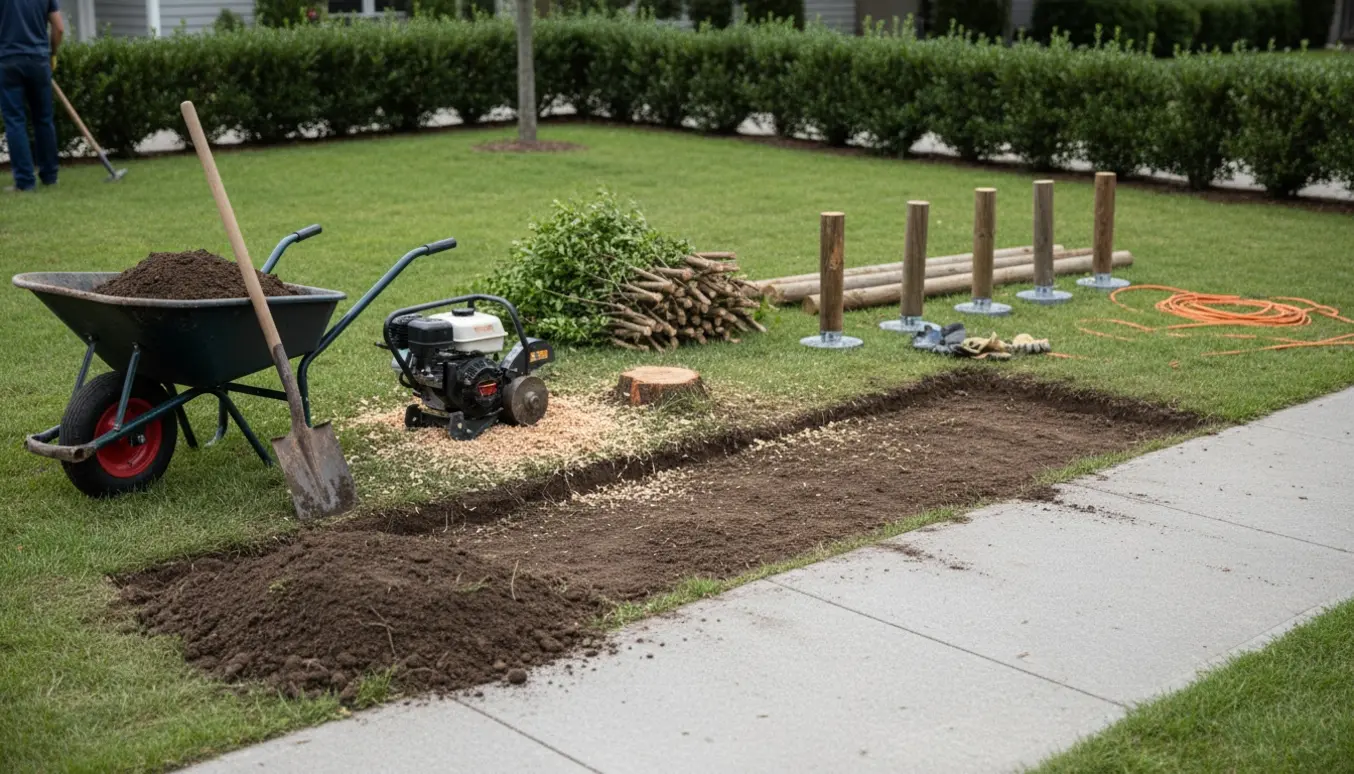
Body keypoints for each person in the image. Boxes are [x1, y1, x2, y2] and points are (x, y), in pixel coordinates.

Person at [0, 0, 63, 193]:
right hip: (39, 60)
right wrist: (52, 54)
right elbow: (59, 28)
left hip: (8, 60)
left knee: (15, 121)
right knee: (44, 119)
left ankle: (25, 182)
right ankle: (50, 176)